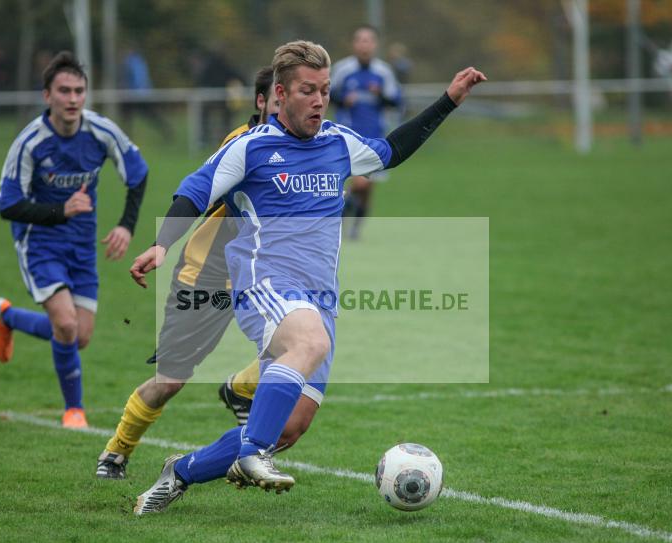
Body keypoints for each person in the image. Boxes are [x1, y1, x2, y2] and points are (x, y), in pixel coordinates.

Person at [128, 40, 486, 514]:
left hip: (320, 299)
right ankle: (253, 454)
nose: (318, 100)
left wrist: (449, 101)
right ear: (279, 94)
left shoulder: (339, 143)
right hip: (265, 283)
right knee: (307, 347)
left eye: (324, 90)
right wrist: (162, 242)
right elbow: (196, 190)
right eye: (307, 90)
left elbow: (391, 151)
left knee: (289, 427)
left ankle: (181, 472)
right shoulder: (251, 149)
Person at [95, 66, 308, 479]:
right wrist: (162, 242)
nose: (286, 107)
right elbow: (197, 189)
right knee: (170, 381)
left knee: (302, 346)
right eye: (276, 100)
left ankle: (240, 389)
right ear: (262, 102)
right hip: (206, 277)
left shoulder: (303, 147)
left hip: (260, 280)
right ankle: (116, 451)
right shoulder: (244, 144)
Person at [0, 51, 149, 428]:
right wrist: (60, 211)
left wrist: (126, 224)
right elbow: (7, 205)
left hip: (82, 244)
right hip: (39, 243)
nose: (73, 98)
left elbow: (138, 175)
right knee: (64, 324)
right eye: (64, 91)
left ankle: (6, 316)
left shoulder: (101, 132)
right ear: (48, 96)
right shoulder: (30, 143)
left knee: (79, 337)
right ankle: (74, 410)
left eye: (79, 90)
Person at [331, 25, 402, 240]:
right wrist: (344, 100)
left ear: (375, 45)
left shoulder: (383, 72)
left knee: (367, 189)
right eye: (360, 40)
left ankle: (354, 230)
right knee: (358, 182)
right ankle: (338, 225)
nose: (364, 45)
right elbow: (328, 95)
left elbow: (396, 102)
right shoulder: (343, 69)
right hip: (348, 138)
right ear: (354, 44)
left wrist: (380, 96)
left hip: (374, 138)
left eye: (368, 40)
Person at [121, 46, 174, 142]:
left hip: (137, 95)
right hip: (137, 94)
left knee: (148, 115)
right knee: (129, 116)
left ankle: (167, 131)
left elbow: (139, 79)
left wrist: (137, 91)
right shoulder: (138, 61)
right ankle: (126, 137)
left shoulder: (132, 62)